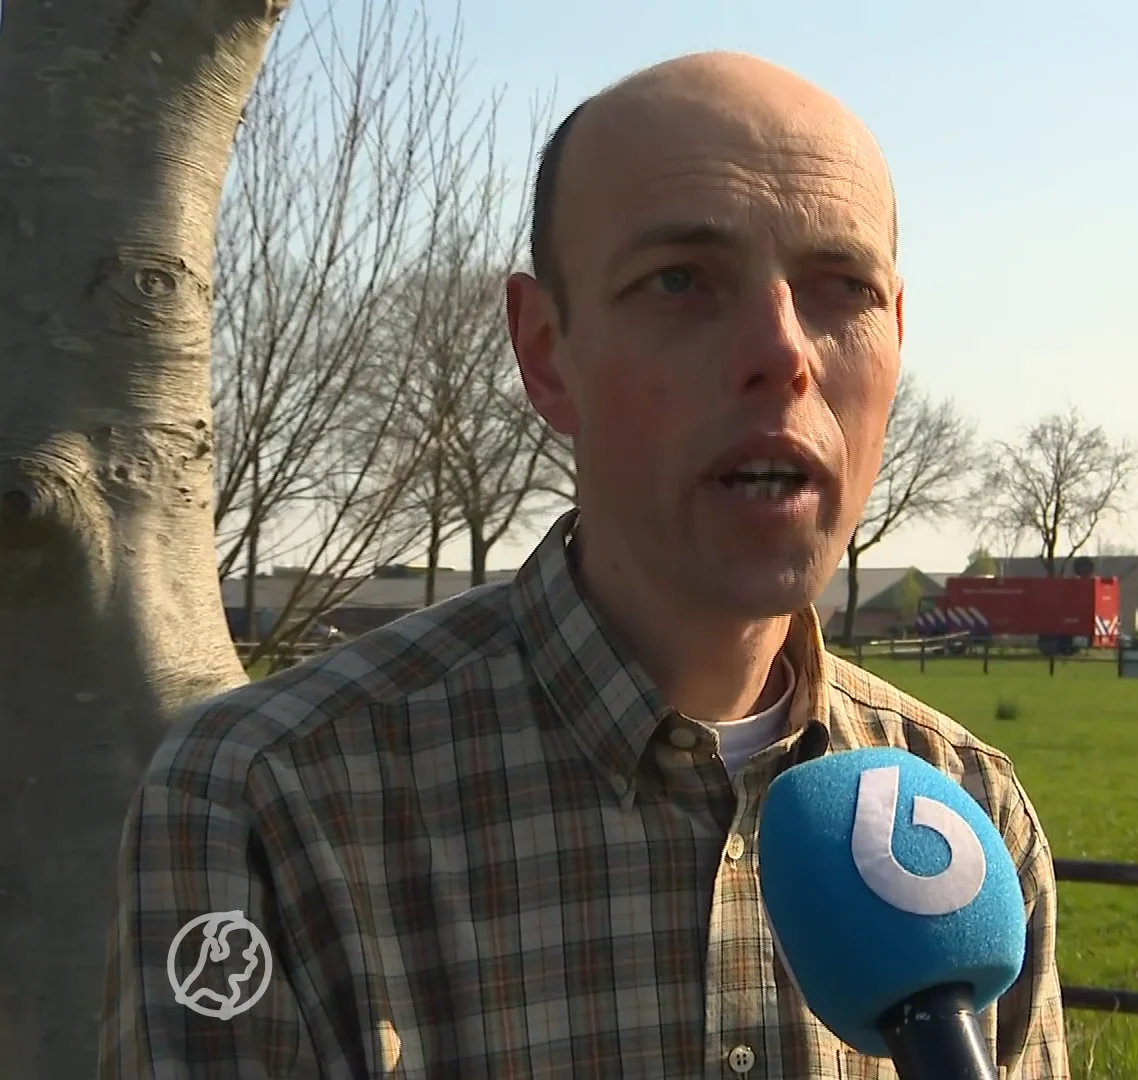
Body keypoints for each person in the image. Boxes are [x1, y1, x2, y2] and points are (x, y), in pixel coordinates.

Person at [99, 51, 1069, 1078]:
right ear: (544, 349)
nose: (784, 352)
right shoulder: (261, 802)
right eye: (681, 281)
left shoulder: (968, 817)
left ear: (898, 337)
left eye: (844, 289)